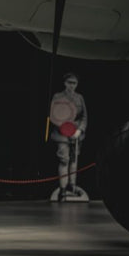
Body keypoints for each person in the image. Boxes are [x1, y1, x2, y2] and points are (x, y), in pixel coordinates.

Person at [48, 73, 88, 201]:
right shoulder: (58, 96)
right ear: (65, 83)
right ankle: (63, 189)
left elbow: (84, 117)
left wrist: (79, 130)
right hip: (62, 135)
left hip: (76, 135)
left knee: (74, 160)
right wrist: (65, 129)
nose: (72, 85)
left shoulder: (79, 98)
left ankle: (72, 186)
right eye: (69, 82)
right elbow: (53, 116)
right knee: (64, 160)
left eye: (74, 83)